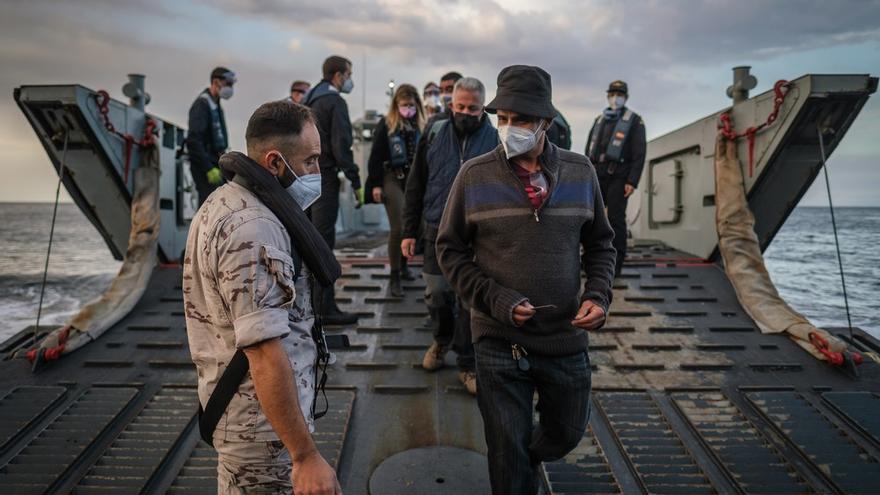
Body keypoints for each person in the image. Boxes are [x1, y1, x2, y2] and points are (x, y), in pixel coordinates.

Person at [436, 65, 616, 494]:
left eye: (521, 120)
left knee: (565, 434)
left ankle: (529, 453)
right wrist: (495, 299)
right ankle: (517, 463)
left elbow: (602, 245)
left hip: (564, 340)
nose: (509, 128)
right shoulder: (474, 175)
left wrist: (598, 295)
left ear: (546, 124)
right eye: (503, 119)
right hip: (498, 340)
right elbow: (450, 250)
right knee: (506, 452)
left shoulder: (580, 171)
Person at [183, 100, 343, 494]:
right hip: (262, 433)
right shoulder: (254, 230)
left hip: (252, 421)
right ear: (274, 162)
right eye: (310, 161)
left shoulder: (223, 201)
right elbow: (264, 352)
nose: (317, 172)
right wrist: (304, 455)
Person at [401, 77, 498, 395]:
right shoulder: (434, 131)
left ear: (483, 107)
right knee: (438, 295)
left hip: (476, 234)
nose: (465, 113)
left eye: (472, 108)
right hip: (435, 228)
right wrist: (408, 231)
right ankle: (441, 341)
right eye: (460, 107)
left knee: (471, 302)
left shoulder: (496, 139)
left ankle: (468, 364)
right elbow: (416, 182)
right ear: (451, 104)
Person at [303, 55, 363, 326]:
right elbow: (341, 145)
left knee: (308, 244)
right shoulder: (335, 101)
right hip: (325, 179)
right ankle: (326, 309)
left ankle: (309, 306)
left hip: (304, 180)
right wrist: (355, 177)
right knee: (324, 245)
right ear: (338, 76)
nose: (349, 80)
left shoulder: (310, 100)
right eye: (348, 75)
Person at [365, 84, 425, 297]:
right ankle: (395, 275)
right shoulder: (387, 124)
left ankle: (405, 266)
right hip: (392, 177)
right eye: (404, 105)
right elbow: (375, 156)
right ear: (396, 105)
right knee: (399, 226)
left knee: (413, 226)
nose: (408, 108)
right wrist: (376, 185)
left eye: (411, 105)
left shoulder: (421, 126)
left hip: (413, 179)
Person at [585, 80, 646, 277]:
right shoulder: (599, 119)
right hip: (597, 174)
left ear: (625, 97)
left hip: (619, 177)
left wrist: (632, 181)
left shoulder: (635, 121)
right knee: (590, 218)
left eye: (619, 94)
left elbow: (639, 153)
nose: (615, 97)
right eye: (612, 93)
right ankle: (589, 261)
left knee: (615, 220)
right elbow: (589, 149)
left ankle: (615, 266)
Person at [187, 67, 235, 206]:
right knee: (209, 206)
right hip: (205, 167)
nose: (230, 88)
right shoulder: (202, 104)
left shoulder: (215, 104)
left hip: (215, 163)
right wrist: (208, 168)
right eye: (228, 84)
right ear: (216, 82)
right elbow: (193, 140)